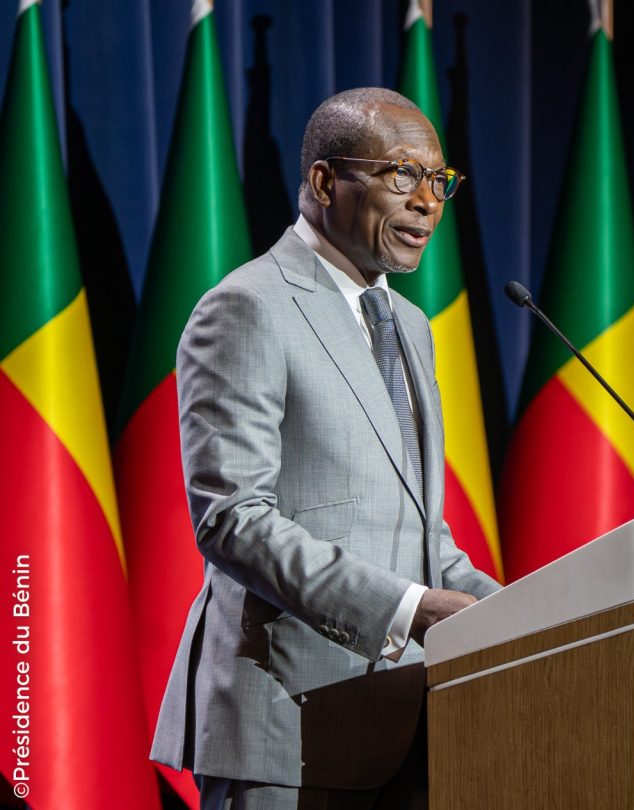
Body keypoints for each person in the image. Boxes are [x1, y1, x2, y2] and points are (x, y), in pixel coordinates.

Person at [150, 87, 501, 809]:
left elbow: (419, 532)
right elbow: (234, 519)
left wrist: (533, 611)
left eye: (439, 181)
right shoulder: (248, 306)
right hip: (284, 727)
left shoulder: (409, 324)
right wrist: (408, 610)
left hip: (407, 731)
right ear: (323, 181)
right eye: (402, 175)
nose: (427, 202)